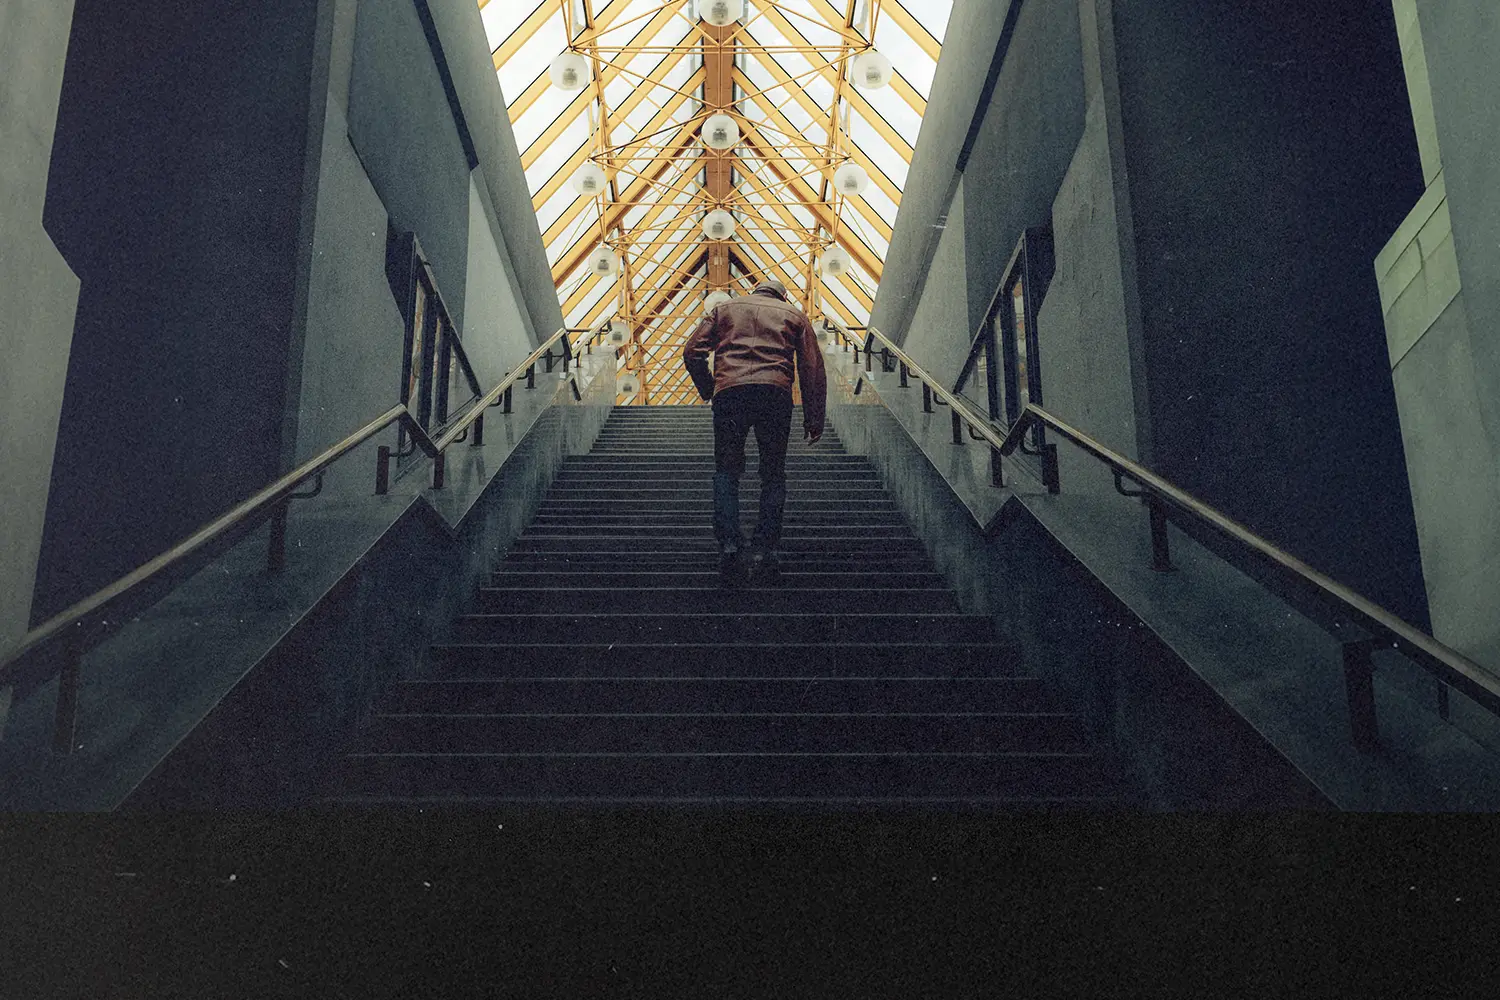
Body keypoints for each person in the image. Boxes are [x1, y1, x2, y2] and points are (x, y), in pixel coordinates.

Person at [682, 279, 827, 588]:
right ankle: (767, 549)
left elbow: (692, 351)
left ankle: (731, 545)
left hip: (730, 394)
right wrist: (814, 416)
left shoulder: (724, 309)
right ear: (781, 294)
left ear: (756, 290)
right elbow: (811, 367)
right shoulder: (793, 314)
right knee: (773, 473)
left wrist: (709, 388)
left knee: (726, 471)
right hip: (774, 394)